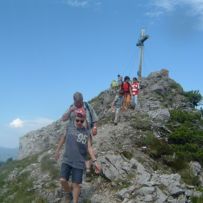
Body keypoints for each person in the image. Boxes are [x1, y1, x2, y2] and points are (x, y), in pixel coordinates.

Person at [55, 108, 101, 203]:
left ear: (84, 120)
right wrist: (57, 150)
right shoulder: (69, 127)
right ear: (74, 119)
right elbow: (63, 138)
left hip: (79, 162)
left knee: (76, 184)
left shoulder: (86, 132)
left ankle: (75, 201)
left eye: (81, 121)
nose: (79, 122)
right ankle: (68, 192)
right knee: (63, 180)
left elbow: (89, 147)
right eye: (77, 120)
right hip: (67, 159)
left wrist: (95, 161)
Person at [59, 92, 98, 175]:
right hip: (73, 134)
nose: (80, 103)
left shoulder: (87, 106)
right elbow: (63, 118)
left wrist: (94, 127)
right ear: (74, 101)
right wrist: (70, 111)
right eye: (78, 102)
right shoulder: (71, 107)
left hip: (86, 133)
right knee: (76, 150)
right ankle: (74, 167)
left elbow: (94, 117)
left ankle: (87, 170)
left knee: (87, 149)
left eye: (81, 101)